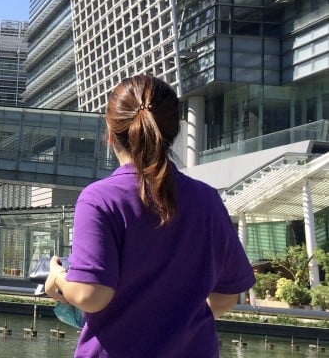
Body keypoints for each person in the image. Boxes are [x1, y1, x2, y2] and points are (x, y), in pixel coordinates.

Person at [44, 74, 254, 357]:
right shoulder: (208, 200)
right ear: (173, 132)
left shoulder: (99, 199)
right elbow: (228, 293)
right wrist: (177, 321)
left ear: (109, 132)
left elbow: (89, 295)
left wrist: (57, 277)